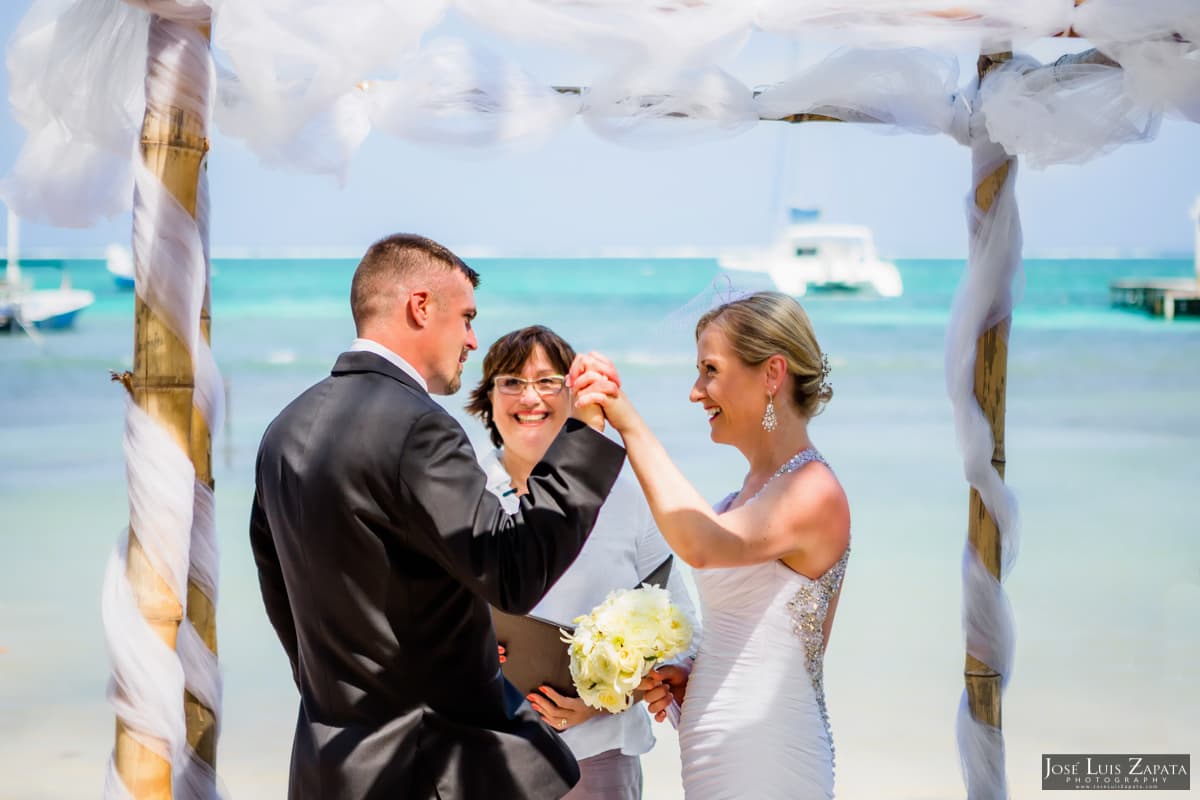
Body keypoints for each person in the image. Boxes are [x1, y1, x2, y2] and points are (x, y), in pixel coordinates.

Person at [249, 234, 626, 800]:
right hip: (431, 771)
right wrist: (583, 436)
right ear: (421, 306)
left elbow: (280, 593)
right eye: (467, 318)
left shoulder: (284, 431)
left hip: (331, 768)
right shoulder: (418, 426)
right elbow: (511, 569)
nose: (474, 340)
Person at [572, 292, 851, 799]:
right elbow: (749, 624)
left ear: (771, 374)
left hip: (766, 748)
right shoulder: (739, 497)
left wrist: (625, 419)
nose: (696, 392)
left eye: (709, 370)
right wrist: (692, 674)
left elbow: (700, 544)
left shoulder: (814, 491)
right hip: (715, 747)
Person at [465, 325, 699, 800]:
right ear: (488, 398)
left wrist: (606, 698)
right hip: (483, 752)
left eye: (548, 381)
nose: (529, 397)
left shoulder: (625, 495)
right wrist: (469, 650)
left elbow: (681, 628)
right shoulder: (464, 493)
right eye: (510, 381)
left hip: (597, 758)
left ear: (575, 396)